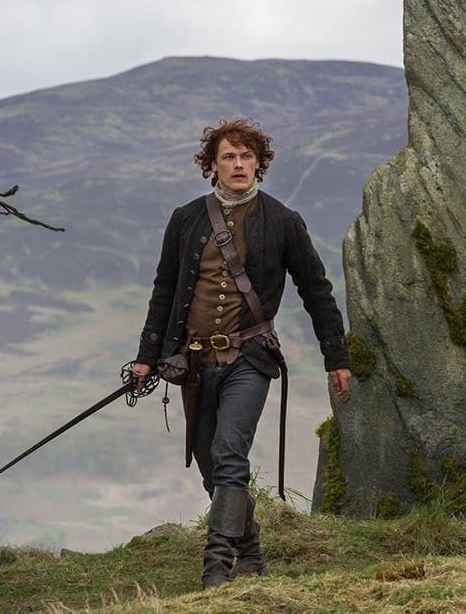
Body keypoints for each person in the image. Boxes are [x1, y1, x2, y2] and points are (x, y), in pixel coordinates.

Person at [130, 119, 351, 587]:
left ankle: (216, 569)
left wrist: (336, 357)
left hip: (250, 359)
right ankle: (250, 553)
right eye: (228, 156)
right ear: (212, 165)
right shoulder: (186, 219)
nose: (238, 164)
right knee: (212, 468)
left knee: (230, 454)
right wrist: (147, 356)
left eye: (246, 156)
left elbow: (316, 290)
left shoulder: (283, 221)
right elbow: (164, 290)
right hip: (192, 364)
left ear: (259, 164)